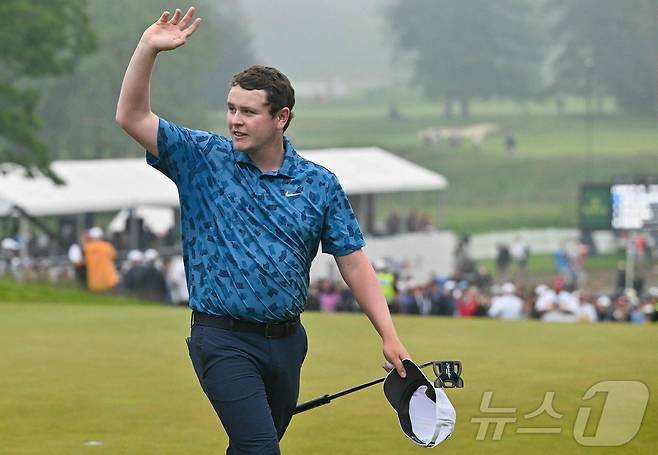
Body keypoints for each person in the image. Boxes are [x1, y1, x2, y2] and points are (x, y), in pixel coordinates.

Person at [115, 7, 410, 454]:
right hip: (222, 338)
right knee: (259, 448)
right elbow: (132, 118)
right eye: (232, 108)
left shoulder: (318, 183)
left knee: (252, 447)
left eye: (248, 112)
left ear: (281, 117)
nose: (234, 120)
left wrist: (389, 336)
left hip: (288, 344)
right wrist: (147, 50)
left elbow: (352, 262)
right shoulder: (203, 158)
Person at [84, 227, 119, 292]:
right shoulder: (107, 246)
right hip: (109, 278)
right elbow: (113, 257)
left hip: (94, 281)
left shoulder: (88, 247)